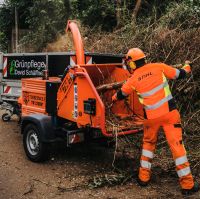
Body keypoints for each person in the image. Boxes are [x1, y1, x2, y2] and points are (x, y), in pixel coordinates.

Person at [112, 48, 199, 196]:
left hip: (151, 119)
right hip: (169, 115)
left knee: (148, 145)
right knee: (177, 147)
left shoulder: (133, 79)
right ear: (144, 59)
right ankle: (187, 185)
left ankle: (143, 178)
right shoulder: (159, 66)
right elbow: (180, 74)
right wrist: (187, 66)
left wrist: (113, 98)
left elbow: (121, 94)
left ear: (131, 64)